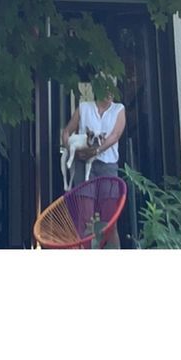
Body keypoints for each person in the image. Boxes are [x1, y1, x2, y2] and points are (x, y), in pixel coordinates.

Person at [60, 80, 127, 247]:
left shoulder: (119, 109)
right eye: (105, 87)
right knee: (84, 218)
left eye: (112, 88)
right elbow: (67, 131)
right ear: (97, 89)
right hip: (84, 165)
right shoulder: (84, 107)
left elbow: (115, 135)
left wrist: (96, 150)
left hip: (107, 165)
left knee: (110, 219)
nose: (110, 92)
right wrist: (70, 148)